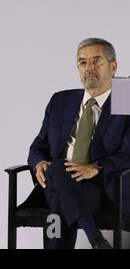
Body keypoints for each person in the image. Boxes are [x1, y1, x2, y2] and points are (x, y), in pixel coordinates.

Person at [28, 38, 130, 249]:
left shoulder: (123, 96)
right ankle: (96, 238)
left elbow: (127, 152)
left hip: (100, 187)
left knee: (58, 196)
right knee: (57, 170)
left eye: (96, 61)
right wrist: (38, 163)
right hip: (57, 181)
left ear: (113, 67)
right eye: (83, 62)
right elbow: (38, 147)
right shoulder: (61, 100)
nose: (89, 68)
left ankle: (95, 239)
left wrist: (96, 168)